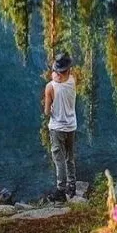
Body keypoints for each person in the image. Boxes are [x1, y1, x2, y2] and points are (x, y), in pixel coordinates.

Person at [44, 52, 77, 201]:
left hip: (57, 127)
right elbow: (62, 79)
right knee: (70, 157)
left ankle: (60, 190)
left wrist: (50, 107)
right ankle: (72, 185)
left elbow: (46, 112)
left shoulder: (50, 87)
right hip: (71, 126)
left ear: (57, 71)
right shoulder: (72, 81)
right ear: (68, 69)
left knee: (59, 159)